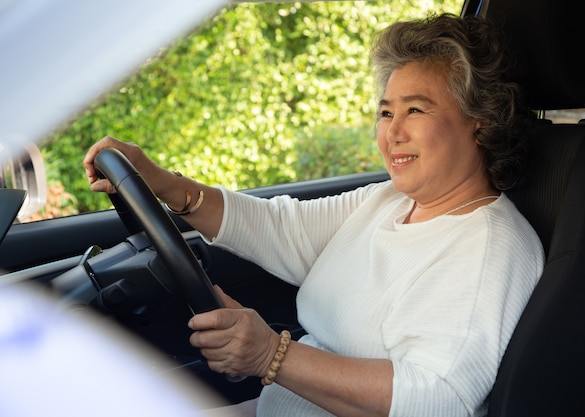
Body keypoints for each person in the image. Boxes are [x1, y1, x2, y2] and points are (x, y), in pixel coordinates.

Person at [83, 13, 544, 417]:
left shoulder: (487, 249)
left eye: (415, 110)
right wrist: (162, 182)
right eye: (386, 112)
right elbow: (280, 229)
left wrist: (270, 354)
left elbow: (437, 399)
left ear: (480, 119)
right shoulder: (389, 202)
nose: (392, 133)